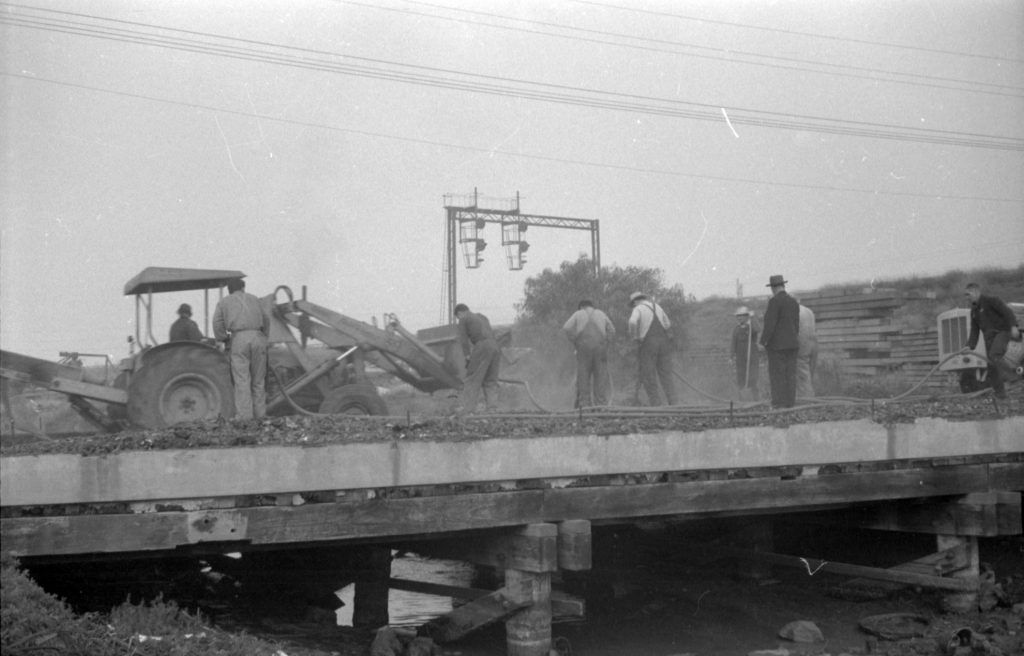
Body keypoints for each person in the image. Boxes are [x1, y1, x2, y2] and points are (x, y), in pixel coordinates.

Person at [213, 279, 269, 420]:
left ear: (229, 290)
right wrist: (264, 338)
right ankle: (260, 416)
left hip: (239, 339)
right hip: (258, 336)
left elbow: (217, 322)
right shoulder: (255, 299)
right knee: (258, 380)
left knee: (242, 380)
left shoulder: (224, 302)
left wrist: (224, 338)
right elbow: (266, 319)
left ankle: (245, 417)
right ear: (243, 287)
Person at [965, 282, 1020, 400]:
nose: (967, 297)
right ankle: (1001, 395)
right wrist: (970, 346)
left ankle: (1014, 377)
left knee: (995, 354)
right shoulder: (974, 311)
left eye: (968, 294)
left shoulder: (991, 301)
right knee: (991, 367)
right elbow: (974, 330)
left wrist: (1013, 326)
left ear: (976, 292)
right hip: (989, 338)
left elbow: (1007, 312)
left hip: (1002, 332)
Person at [563, 299, 616, 407]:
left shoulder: (578, 313)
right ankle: (601, 405)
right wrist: (606, 343)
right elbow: (612, 330)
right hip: (600, 348)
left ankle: (584, 405)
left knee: (583, 376)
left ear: (581, 307)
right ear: (592, 306)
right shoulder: (601, 313)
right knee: (600, 376)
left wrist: (575, 341)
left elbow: (567, 327)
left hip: (583, 348)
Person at [627, 291, 677, 406]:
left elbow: (632, 322)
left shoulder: (638, 309)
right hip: (664, 344)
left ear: (635, 301)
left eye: (633, 304)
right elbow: (668, 324)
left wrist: (635, 337)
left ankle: (656, 404)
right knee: (666, 374)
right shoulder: (657, 306)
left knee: (648, 375)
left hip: (649, 344)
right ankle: (674, 402)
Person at [759, 275, 800, 408]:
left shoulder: (774, 302)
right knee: (791, 375)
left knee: (778, 375)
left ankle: (779, 404)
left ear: (773, 288)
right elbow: (796, 325)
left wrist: (763, 342)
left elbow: (770, 325)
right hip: (792, 345)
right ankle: (790, 403)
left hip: (777, 347)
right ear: (783, 286)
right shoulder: (793, 302)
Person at [454, 303, 501, 413]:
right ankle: (492, 408)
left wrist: (467, 356)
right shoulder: (482, 317)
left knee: (472, 379)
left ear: (460, 313)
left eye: (457, 317)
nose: (458, 319)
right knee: (490, 380)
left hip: (482, 346)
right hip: (495, 346)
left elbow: (463, 339)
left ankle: (468, 409)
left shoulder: (464, 318)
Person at [730, 306, 759, 401]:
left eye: (742, 316)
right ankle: (742, 400)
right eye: (738, 316)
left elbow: (757, 329)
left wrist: (753, 318)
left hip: (751, 357)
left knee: (753, 378)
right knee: (741, 378)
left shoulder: (751, 328)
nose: (739, 318)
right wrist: (731, 357)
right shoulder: (736, 329)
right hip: (740, 359)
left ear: (747, 317)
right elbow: (733, 344)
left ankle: (755, 399)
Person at [796, 302, 818, 399]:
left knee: (802, 372)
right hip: (813, 342)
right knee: (809, 371)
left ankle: (807, 398)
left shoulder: (794, 311)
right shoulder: (808, 311)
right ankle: (808, 395)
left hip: (802, 343)